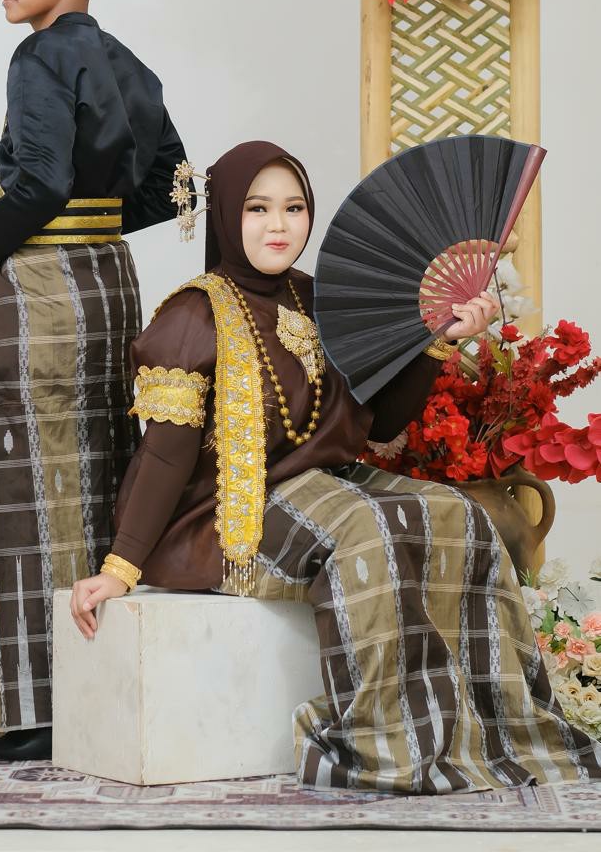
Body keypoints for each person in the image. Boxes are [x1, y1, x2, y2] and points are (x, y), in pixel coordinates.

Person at [70, 140, 601, 792]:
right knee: (365, 533)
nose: (278, 225)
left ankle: (496, 731)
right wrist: (119, 567)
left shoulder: (320, 301)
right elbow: (163, 453)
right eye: (257, 208)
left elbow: (381, 426)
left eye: (293, 208)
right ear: (226, 214)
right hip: (229, 513)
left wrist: (440, 342)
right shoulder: (192, 316)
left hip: (324, 483)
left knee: (459, 515)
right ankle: (386, 742)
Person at [0, 0, 189, 763]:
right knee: (98, 475)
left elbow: (41, 182)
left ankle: (16, 714)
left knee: (8, 480)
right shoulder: (128, 63)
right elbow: (174, 184)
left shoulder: (38, 56)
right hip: (111, 288)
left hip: (44, 288)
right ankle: (92, 701)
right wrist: (97, 222)